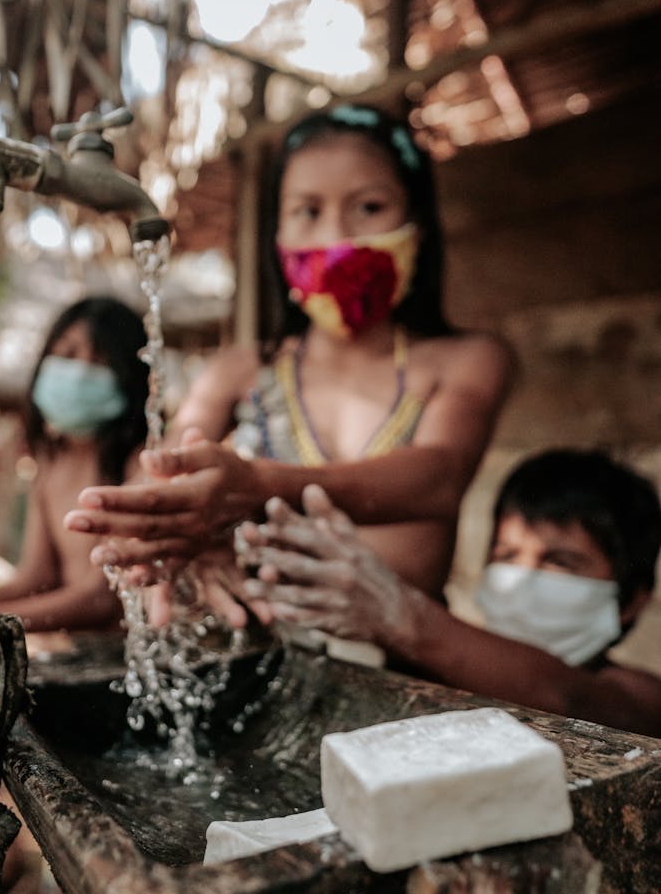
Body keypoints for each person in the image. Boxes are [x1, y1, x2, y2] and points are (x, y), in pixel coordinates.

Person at [64, 104, 514, 615]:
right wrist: (185, 539)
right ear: (276, 235)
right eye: (308, 210)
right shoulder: (237, 373)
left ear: (418, 224)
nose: (336, 236)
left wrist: (258, 487)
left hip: (408, 669)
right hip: (261, 647)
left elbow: (439, 477)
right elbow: (160, 482)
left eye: (369, 207)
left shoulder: (468, 361)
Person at [234, 449, 661, 736]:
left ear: (633, 600)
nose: (522, 577)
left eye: (559, 561)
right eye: (507, 554)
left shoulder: (638, 697)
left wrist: (400, 614)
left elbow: (564, 697)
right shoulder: (442, 666)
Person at [0, 296, 149, 632]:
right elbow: (37, 578)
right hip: (82, 649)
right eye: (67, 354)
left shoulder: (140, 465)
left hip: (119, 657)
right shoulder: (49, 464)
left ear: (131, 377)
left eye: (101, 361)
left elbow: (101, 599)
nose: (81, 371)